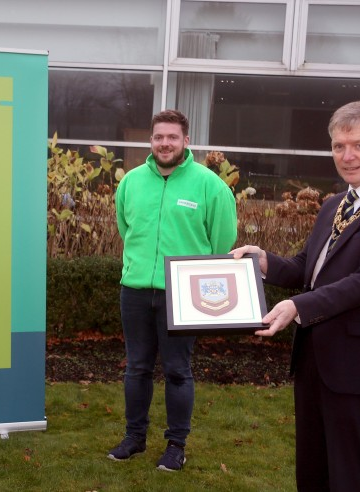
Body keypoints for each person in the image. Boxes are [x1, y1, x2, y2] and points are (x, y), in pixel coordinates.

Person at [232, 100, 360, 491]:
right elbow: (308, 268)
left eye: (359, 145)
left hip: (359, 367)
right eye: (338, 146)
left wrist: (297, 307)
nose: (347, 156)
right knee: (312, 474)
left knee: (350, 478)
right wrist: (264, 261)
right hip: (314, 361)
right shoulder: (333, 205)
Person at [108, 109, 238, 471]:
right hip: (134, 289)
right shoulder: (131, 182)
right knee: (136, 368)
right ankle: (134, 438)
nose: (165, 143)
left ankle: (176, 446)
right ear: (151, 141)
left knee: (178, 370)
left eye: (172, 137)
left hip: (183, 292)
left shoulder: (210, 186)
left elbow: (223, 240)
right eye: (159, 137)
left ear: (186, 141)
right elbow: (126, 228)